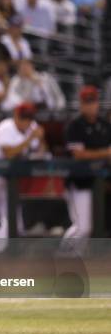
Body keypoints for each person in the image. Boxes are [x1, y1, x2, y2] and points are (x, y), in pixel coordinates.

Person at [0, 103, 47, 239]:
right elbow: (9, 153)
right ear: (16, 116)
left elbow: (41, 152)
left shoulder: (33, 127)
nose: (26, 121)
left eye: (29, 118)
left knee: (16, 225)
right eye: (23, 117)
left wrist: (41, 139)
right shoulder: (5, 127)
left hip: (6, 182)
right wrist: (30, 139)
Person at [63, 86, 111, 241]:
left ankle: (73, 260)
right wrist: (105, 153)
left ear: (97, 103)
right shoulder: (74, 125)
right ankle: (62, 254)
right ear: (81, 104)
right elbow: (79, 155)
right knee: (83, 228)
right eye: (87, 102)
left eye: (93, 101)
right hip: (79, 183)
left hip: (99, 183)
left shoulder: (104, 125)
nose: (90, 105)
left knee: (93, 228)